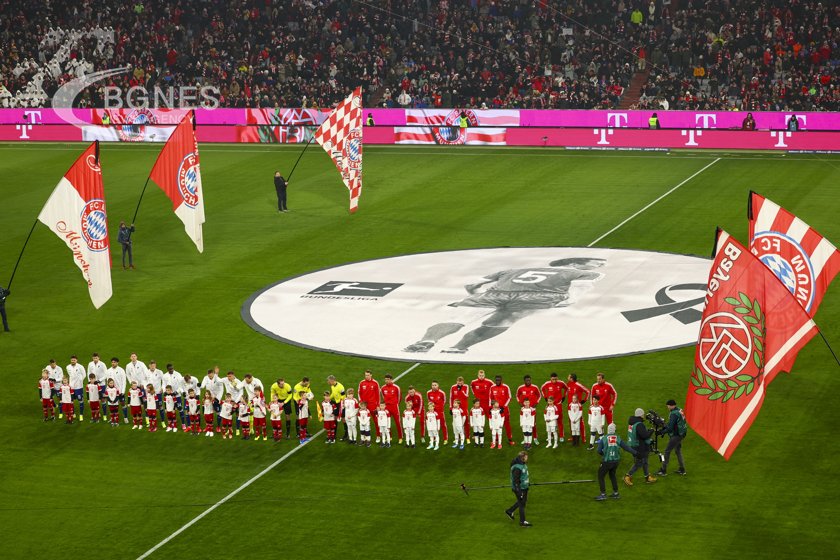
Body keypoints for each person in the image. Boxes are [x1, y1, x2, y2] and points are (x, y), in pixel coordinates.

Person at [403, 258, 605, 355]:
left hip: (495, 294)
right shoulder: (583, 273)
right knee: (503, 320)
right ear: (576, 264)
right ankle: (459, 347)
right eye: (595, 263)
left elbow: (472, 285)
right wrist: (565, 301)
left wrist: (478, 297)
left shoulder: (515, 269)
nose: (597, 267)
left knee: (458, 319)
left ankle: (427, 341)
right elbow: (577, 291)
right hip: (540, 298)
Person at [595, 423, 636, 501]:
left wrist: (603, 454)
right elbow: (626, 447)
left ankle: (603, 494)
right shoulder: (618, 438)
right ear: (614, 430)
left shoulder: (604, 438)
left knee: (600, 475)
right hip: (616, 462)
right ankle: (616, 493)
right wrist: (635, 453)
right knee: (612, 475)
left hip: (607, 461)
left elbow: (599, 450)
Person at [623, 408, 657, 485]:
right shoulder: (639, 424)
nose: (644, 415)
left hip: (633, 445)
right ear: (640, 415)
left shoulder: (632, 422)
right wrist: (651, 430)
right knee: (639, 463)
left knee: (645, 461)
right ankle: (627, 476)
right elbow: (645, 436)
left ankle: (647, 477)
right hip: (638, 446)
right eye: (643, 414)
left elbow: (639, 434)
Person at [657, 399, 687, 476]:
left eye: (668, 406)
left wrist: (661, 432)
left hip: (676, 435)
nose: (667, 407)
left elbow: (670, 428)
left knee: (667, 451)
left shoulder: (673, 414)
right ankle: (682, 469)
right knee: (678, 451)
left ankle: (663, 470)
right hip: (682, 434)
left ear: (671, 405)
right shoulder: (679, 410)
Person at [504, 451, 532, 527]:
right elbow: (516, 481)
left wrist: (526, 482)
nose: (527, 458)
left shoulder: (522, 464)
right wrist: (519, 492)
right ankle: (522, 522)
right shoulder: (517, 467)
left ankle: (509, 511)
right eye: (526, 457)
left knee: (522, 502)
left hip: (524, 487)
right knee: (522, 504)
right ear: (522, 457)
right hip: (520, 488)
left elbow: (523, 476)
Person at [489, 375, 514, 446]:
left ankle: (510, 439)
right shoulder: (492, 387)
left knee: (507, 424)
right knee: (495, 424)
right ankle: (496, 440)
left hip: (504, 410)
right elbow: (490, 398)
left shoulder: (506, 387)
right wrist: (490, 408)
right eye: (496, 380)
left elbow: (509, 397)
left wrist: (504, 407)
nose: (497, 381)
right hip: (495, 410)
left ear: (501, 380)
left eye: (499, 380)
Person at [541, 373, 567, 442]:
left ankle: (561, 436)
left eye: (556, 379)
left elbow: (566, 389)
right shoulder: (547, 383)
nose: (554, 381)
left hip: (558, 405)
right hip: (550, 405)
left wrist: (564, 396)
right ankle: (551, 435)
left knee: (560, 420)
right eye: (553, 379)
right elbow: (542, 389)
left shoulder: (561, 383)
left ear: (557, 378)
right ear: (550, 379)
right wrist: (545, 397)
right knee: (550, 420)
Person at [516, 375, 541, 445]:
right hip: (524, 410)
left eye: (529, 380)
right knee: (524, 424)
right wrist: (519, 403)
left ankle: (535, 438)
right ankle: (525, 439)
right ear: (524, 381)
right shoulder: (520, 388)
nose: (528, 381)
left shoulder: (535, 387)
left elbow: (539, 395)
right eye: (527, 380)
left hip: (532, 409)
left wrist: (536, 403)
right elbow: (517, 395)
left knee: (533, 424)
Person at [358, 371, 381, 440]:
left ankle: (378, 436)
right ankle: (365, 436)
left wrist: (378, 405)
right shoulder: (361, 383)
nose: (366, 376)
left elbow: (378, 395)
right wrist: (361, 403)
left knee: (376, 421)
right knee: (364, 421)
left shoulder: (375, 383)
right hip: (364, 406)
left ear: (371, 375)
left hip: (373, 405)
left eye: (368, 375)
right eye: (365, 375)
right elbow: (359, 393)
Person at [567, 373, 590, 438]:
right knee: (571, 421)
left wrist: (584, 400)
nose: (567, 377)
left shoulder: (578, 385)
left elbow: (588, 391)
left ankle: (583, 437)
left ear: (571, 378)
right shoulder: (568, 384)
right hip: (570, 406)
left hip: (577, 407)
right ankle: (573, 436)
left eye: (568, 377)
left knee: (580, 421)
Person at [381, 374, 402, 443]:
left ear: (391, 380)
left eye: (388, 379)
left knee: (398, 422)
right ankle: (389, 437)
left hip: (394, 407)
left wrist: (396, 404)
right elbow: (383, 397)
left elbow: (399, 397)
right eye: (385, 379)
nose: (386, 381)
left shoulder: (396, 387)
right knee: (387, 423)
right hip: (387, 407)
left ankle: (400, 437)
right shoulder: (383, 388)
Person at [326, 375, 347, 439]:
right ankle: (333, 434)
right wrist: (329, 398)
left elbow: (344, 396)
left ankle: (346, 434)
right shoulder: (332, 386)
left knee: (343, 419)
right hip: (336, 403)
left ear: (332, 380)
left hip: (342, 404)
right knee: (334, 417)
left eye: (328, 381)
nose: (328, 382)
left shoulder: (340, 387)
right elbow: (333, 393)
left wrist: (339, 401)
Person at [66, 355, 86, 421]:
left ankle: (81, 415)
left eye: (74, 360)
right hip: (71, 387)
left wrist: (80, 380)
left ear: (76, 360)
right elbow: (70, 375)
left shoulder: (80, 366)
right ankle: (73, 413)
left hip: (79, 387)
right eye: (72, 360)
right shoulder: (68, 367)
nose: (73, 361)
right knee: (71, 401)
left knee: (80, 400)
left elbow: (84, 375)